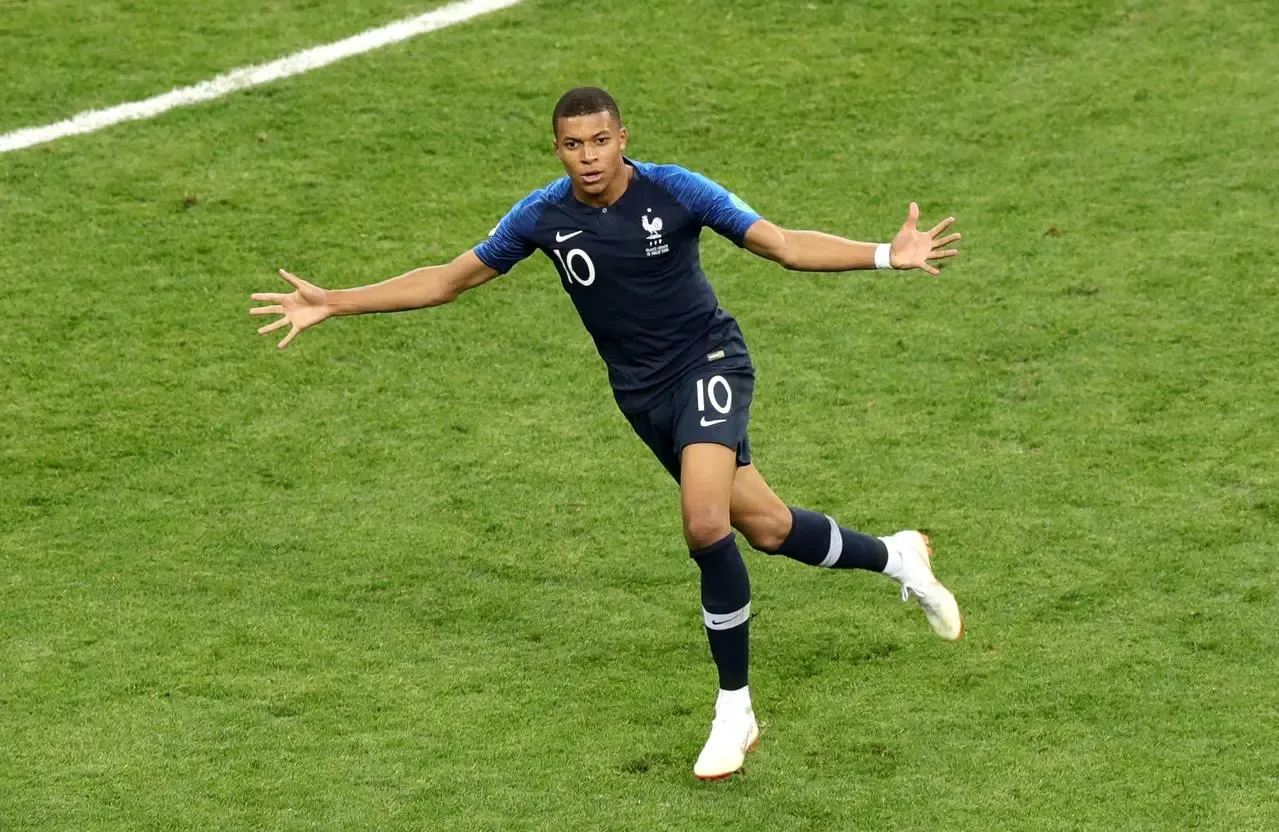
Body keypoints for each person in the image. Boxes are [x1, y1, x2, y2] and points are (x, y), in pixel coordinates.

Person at [250, 86, 964, 781]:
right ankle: (897, 556)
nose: (587, 157)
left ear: (623, 139)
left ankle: (734, 709)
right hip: (643, 398)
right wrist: (335, 303)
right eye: (572, 145)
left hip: (709, 363)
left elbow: (779, 245)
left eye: (599, 141)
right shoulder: (541, 216)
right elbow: (445, 281)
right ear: (557, 150)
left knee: (703, 522)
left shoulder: (676, 190)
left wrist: (883, 254)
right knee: (769, 529)